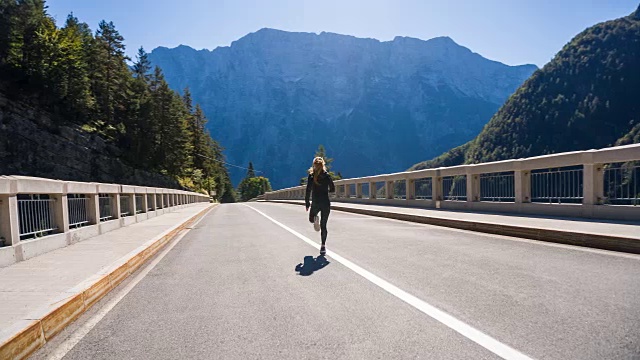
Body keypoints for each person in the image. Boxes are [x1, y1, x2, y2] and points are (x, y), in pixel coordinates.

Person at [305, 157, 335, 256]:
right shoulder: (327, 176)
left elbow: (308, 190)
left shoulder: (311, 176)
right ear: (323, 165)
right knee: (324, 226)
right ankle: (323, 246)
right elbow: (332, 189)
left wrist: (307, 203)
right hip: (325, 202)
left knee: (311, 219)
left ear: (314, 165)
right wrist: (326, 190)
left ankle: (315, 219)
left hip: (316, 202)